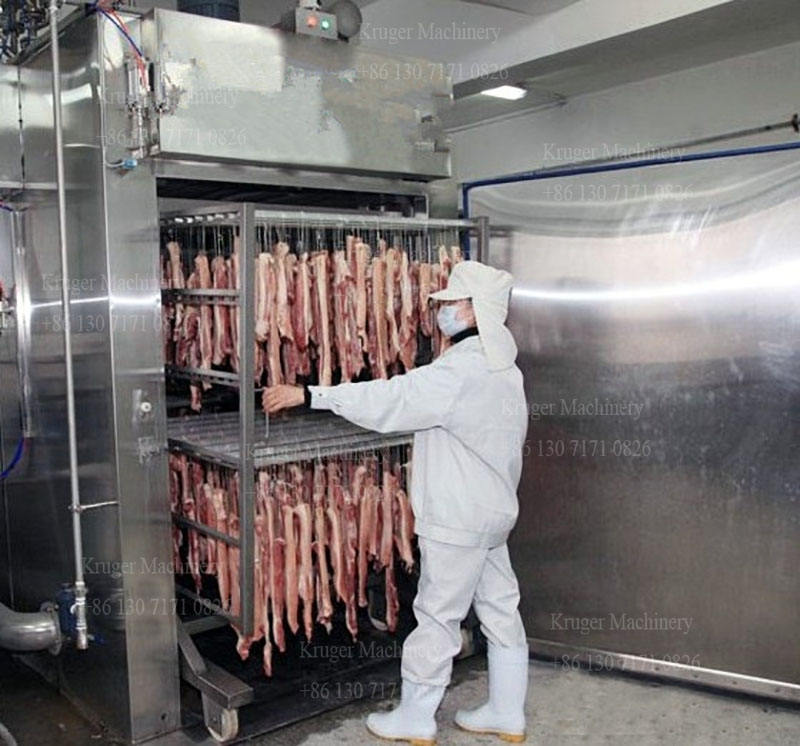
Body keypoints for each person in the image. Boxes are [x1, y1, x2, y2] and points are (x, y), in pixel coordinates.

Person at [264, 260, 530, 745]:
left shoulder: (461, 371)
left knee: (437, 617)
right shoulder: (504, 368)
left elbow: (393, 398)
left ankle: (416, 717)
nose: (443, 311)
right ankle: (507, 711)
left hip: (457, 519)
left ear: (474, 310)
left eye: (452, 303)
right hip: (493, 514)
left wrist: (310, 395)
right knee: (501, 610)